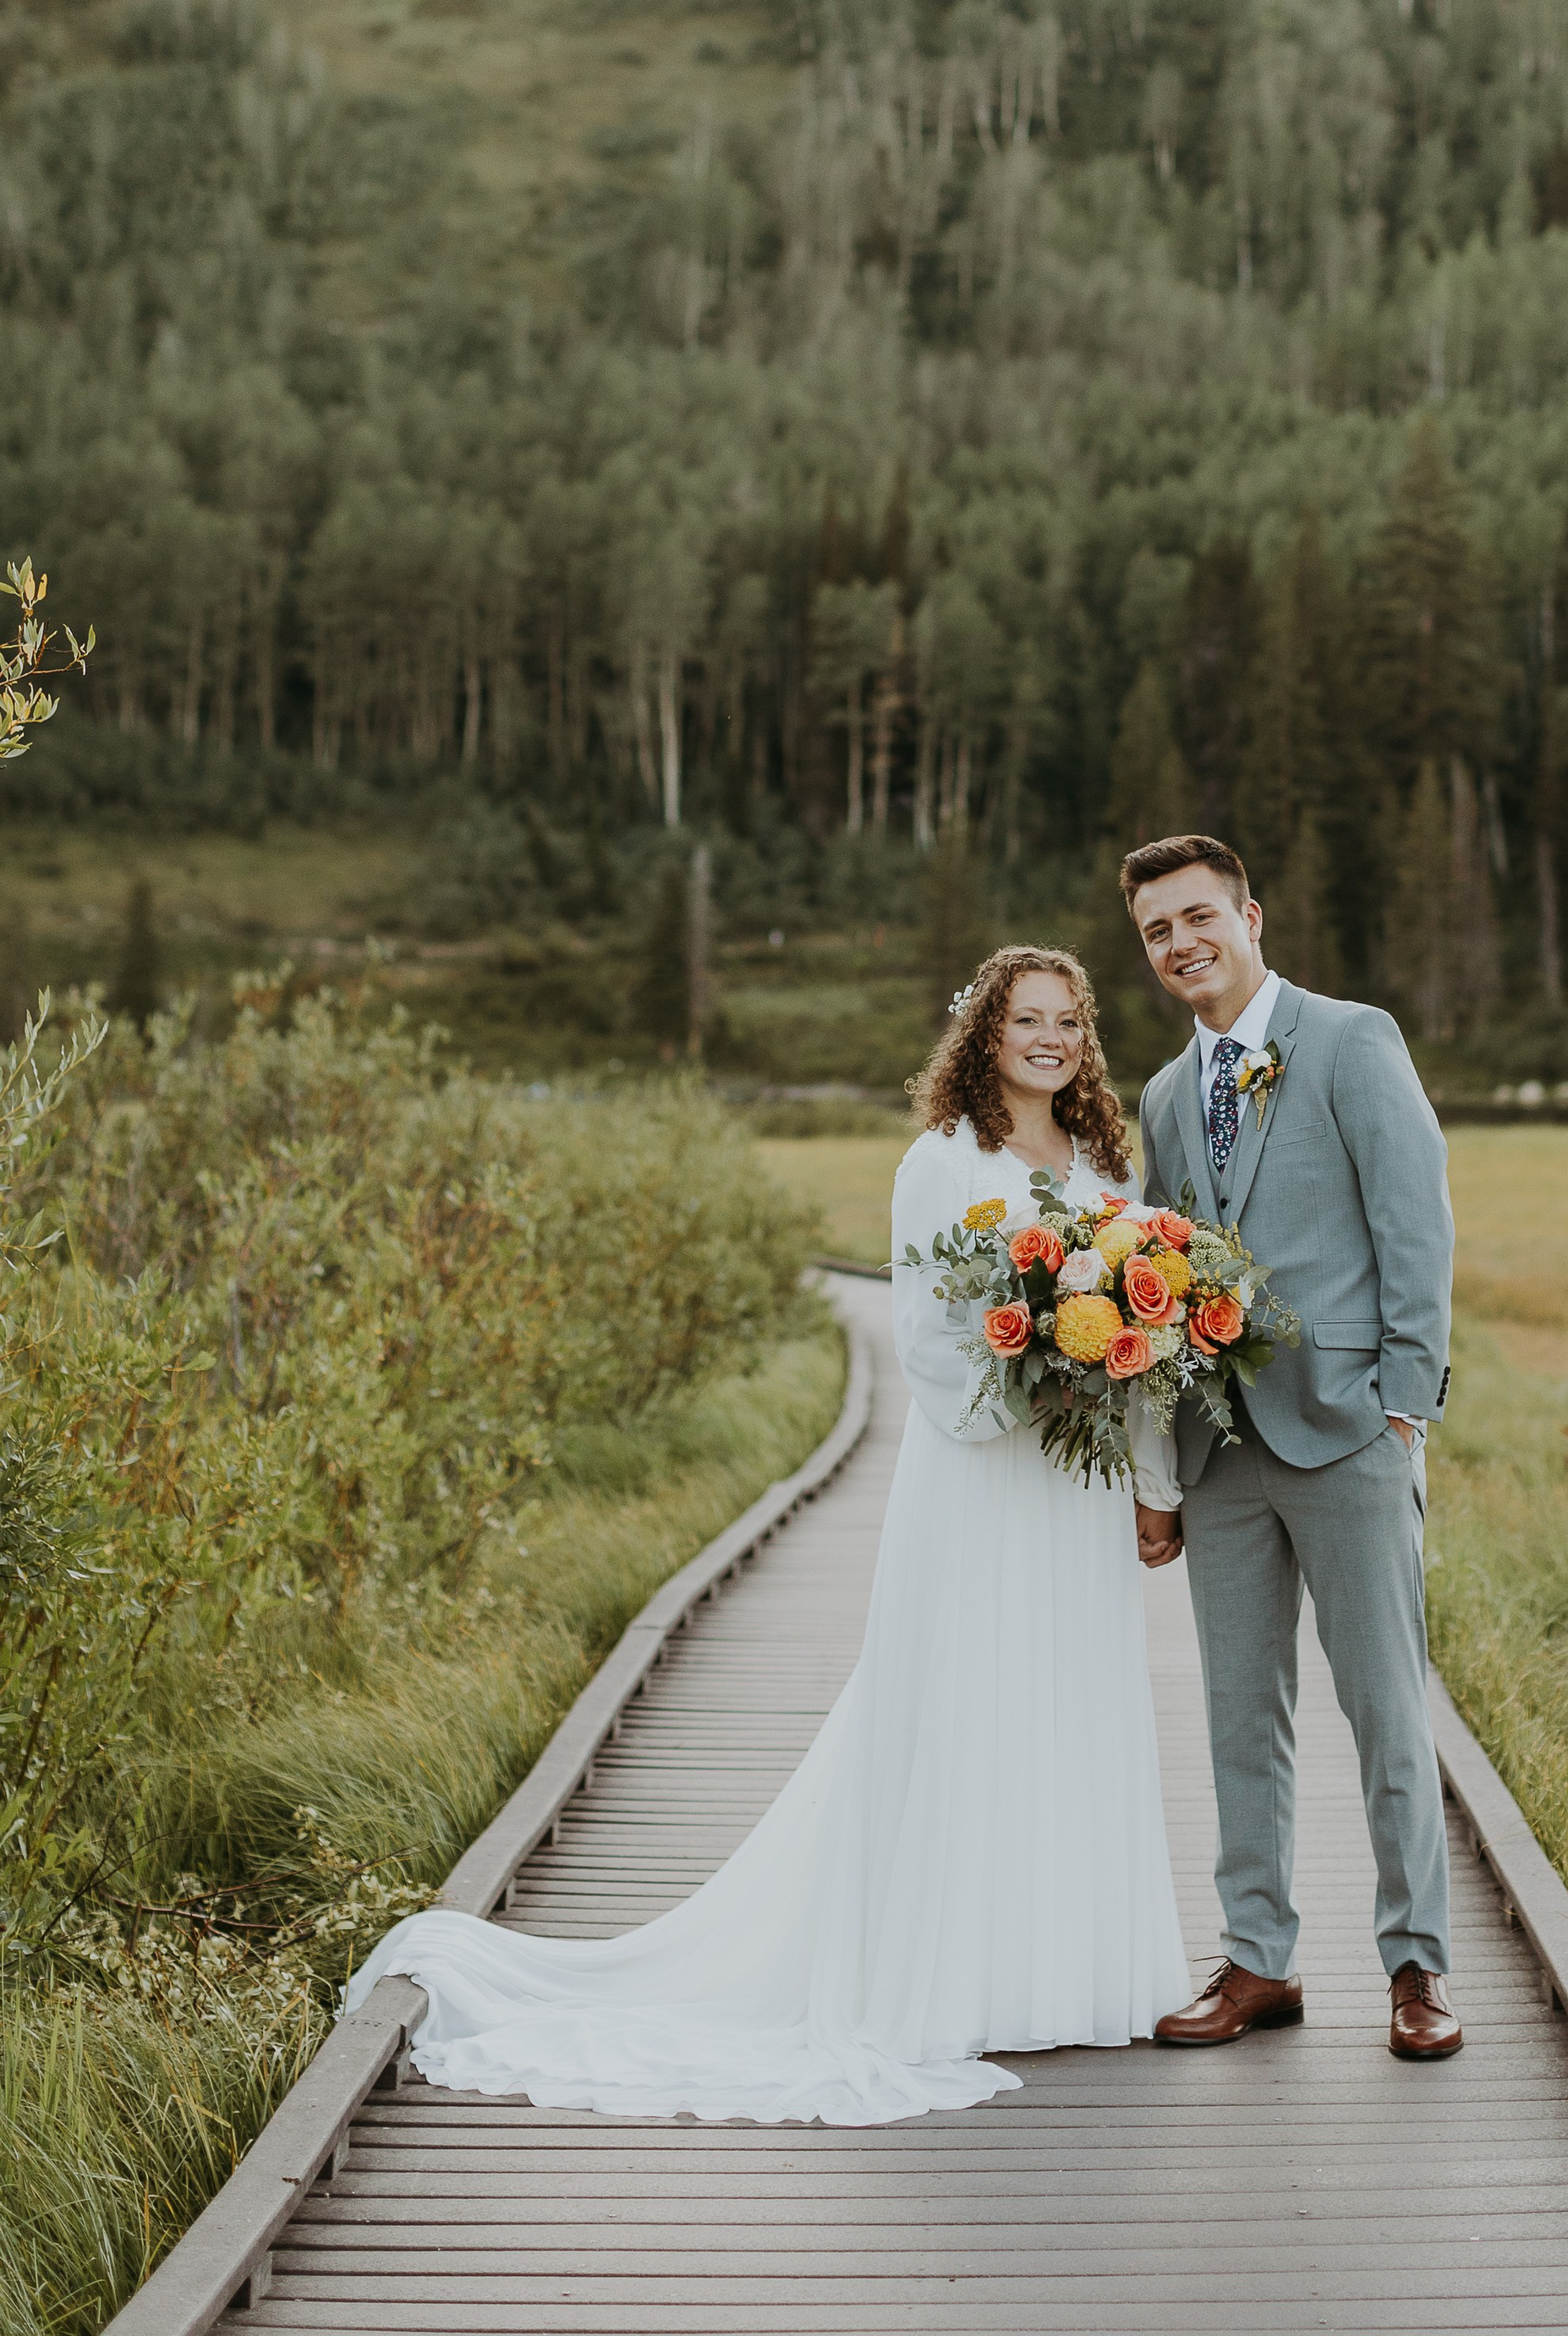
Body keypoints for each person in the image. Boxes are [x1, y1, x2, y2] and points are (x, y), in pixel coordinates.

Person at [345, 946, 1189, 2125]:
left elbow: (1144, 1336)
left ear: (1084, 1038)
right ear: (984, 1034)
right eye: (1025, 1019)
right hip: (982, 1482)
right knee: (968, 1701)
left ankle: (1066, 1974)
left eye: (1066, 1021)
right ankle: (954, 1980)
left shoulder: (1107, 1163)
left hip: (1073, 1490)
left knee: (1065, 1701)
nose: (1048, 1039)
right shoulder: (941, 1166)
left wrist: (1148, 1471)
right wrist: (1039, 1370)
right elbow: (932, 1343)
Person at [1122, 833, 1462, 2063]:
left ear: (1250, 915)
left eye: (1199, 917)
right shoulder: (1166, 1097)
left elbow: (1415, 1218)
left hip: (1350, 1435)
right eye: (1158, 931)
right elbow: (1157, 1289)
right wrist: (1160, 1472)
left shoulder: (1352, 1038)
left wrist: (1405, 1404)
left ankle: (1417, 1966)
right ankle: (1259, 1961)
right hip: (1222, 1456)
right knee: (1236, 1716)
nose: (1182, 945)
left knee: (1383, 1708)